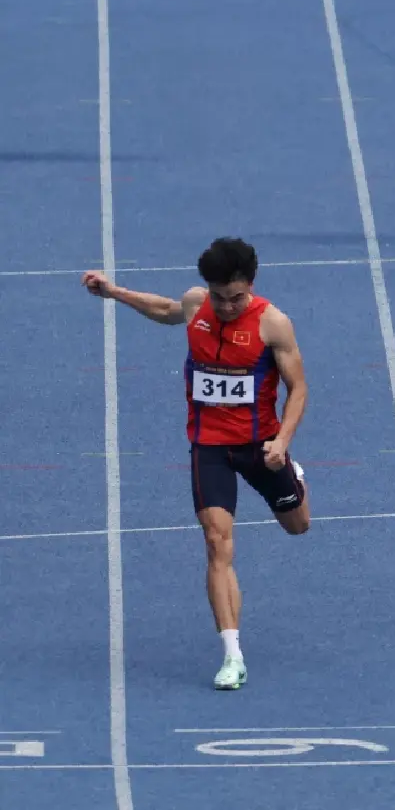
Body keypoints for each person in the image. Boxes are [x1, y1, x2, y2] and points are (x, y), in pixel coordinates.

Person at [82, 238, 310, 691]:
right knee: (216, 543)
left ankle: (295, 478)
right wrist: (114, 292)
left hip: (261, 446)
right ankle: (232, 654)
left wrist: (283, 442)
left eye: (235, 298)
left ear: (251, 285)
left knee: (297, 525)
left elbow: (298, 388)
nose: (226, 307)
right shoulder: (196, 304)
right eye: (219, 297)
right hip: (209, 448)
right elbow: (164, 309)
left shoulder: (272, 323)